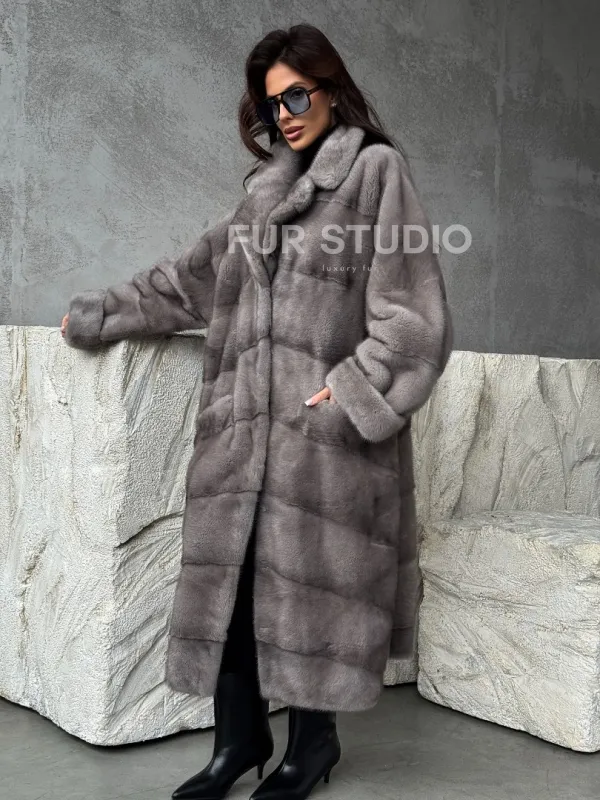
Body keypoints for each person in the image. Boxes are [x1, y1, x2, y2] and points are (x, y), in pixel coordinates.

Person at [62, 23, 453, 800]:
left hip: (323, 443)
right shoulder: (262, 197)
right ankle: (237, 742)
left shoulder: (375, 173)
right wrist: (99, 315)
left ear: (331, 91)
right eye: (273, 104)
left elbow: (413, 317)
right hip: (242, 443)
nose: (284, 116)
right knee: (236, 591)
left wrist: (353, 389)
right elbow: (186, 283)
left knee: (312, 590)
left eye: (296, 97)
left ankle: (314, 745)